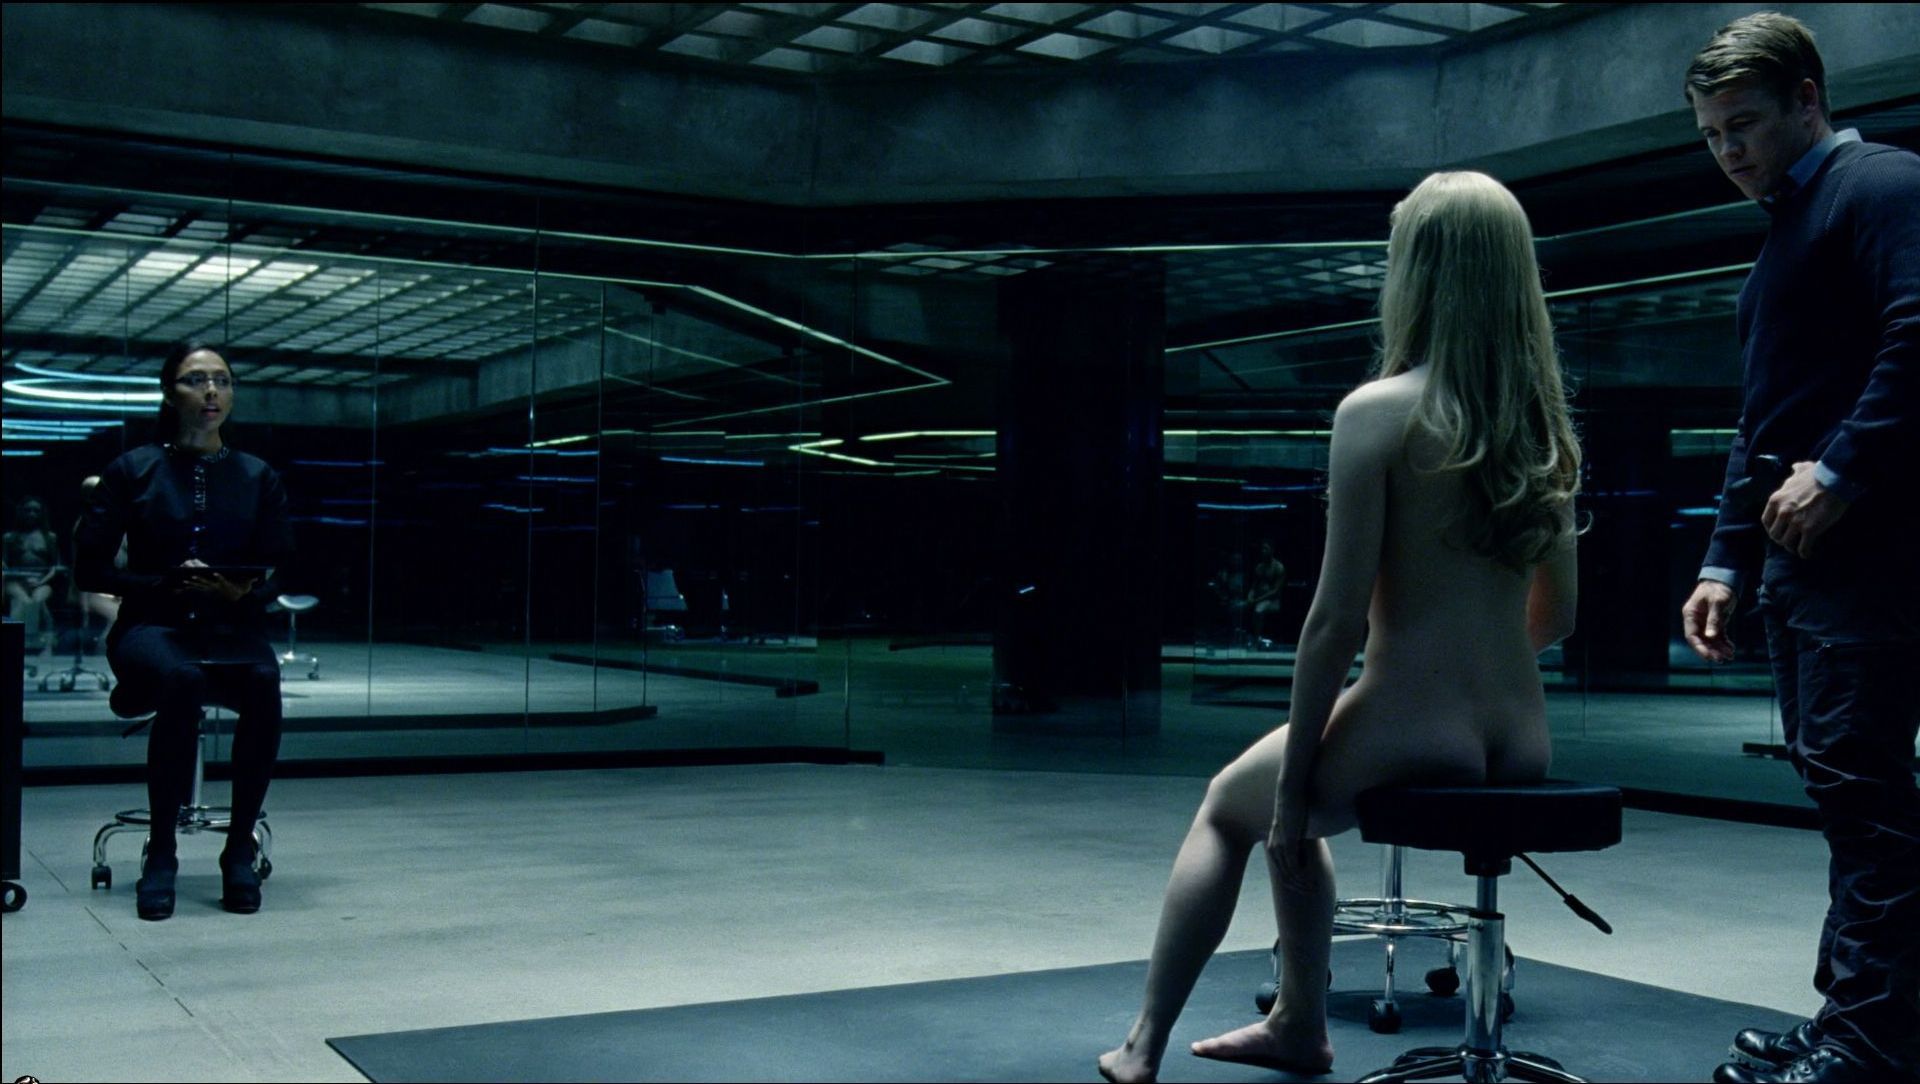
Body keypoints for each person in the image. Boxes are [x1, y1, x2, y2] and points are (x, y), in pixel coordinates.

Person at [1098, 170, 1580, 1083]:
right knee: (1287, 799)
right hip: (1521, 739)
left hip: (1411, 725)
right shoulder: (1540, 425)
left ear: (1418, 273)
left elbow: (1333, 622)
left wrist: (1292, 793)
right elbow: (1559, 615)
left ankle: (1145, 1043)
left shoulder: (1378, 413)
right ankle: (1294, 1022)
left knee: (1232, 806)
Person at [1675, 14, 1920, 1084]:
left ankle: (1868, 1043)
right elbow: (1764, 418)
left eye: (1744, 124)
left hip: (1870, 564)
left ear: (1808, 99)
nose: (1728, 150)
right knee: (1847, 796)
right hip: (1807, 570)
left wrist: (1844, 469)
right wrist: (1723, 561)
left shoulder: (1879, 186)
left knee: (1866, 803)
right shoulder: (1791, 225)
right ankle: (1852, 1021)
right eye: (1711, 134)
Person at [75, 341, 295, 922]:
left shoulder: (257, 476)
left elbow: (283, 565)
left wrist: (244, 593)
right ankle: (162, 852)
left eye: (222, 380)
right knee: (181, 677)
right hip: (151, 625)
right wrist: (165, 583)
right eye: (196, 380)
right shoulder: (133, 470)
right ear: (169, 393)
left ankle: (239, 847)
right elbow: (90, 569)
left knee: (263, 678)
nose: (211, 391)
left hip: (228, 627)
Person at [4, 496, 62, 665]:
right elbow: (4, 564)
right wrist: (18, 576)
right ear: (21, 512)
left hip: (42, 581)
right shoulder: (9, 538)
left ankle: (45, 646)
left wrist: (41, 582)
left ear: (41, 514)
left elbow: (56, 566)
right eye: (28, 510)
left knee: (38, 600)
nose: (32, 514)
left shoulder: (50, 537)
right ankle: (15, 645)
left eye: (36, 511)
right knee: (23, 601)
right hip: (15, 580)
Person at [1247, 540, 1286, 647]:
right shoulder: (1259, 567)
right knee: (1240, 607)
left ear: (1272, 550)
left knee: (1258, 610)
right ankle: (1246, 636)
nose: (1263, 551)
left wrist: (1256, 600)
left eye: (1266, 549)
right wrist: (1249, 596)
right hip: (1258, 599)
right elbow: (1253, 586)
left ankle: (1256, 639)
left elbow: (1275, 591)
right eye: (1262, 549)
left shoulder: (1279, 567)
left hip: (1273, 600)